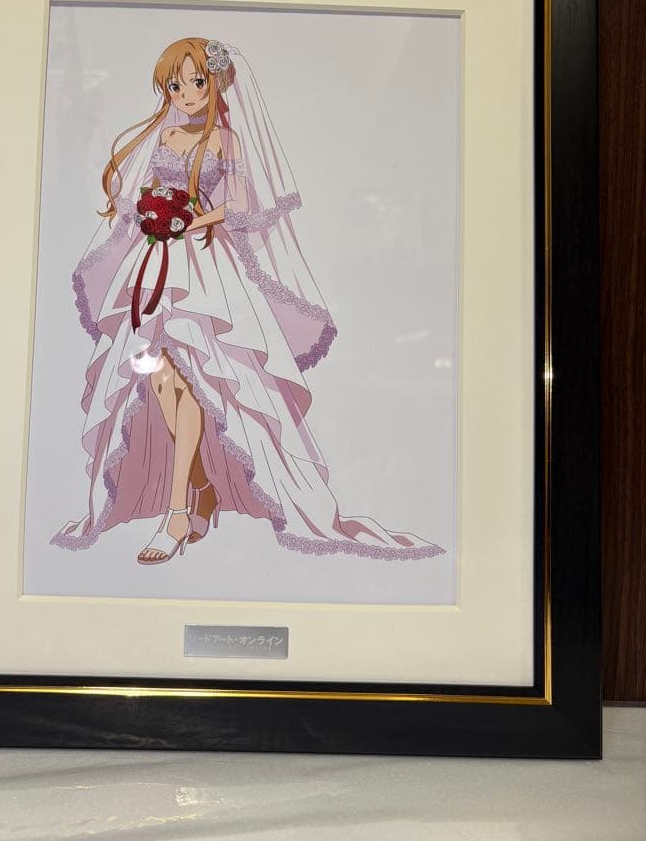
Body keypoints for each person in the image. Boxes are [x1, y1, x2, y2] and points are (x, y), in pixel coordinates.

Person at [52, 37, 444, 566]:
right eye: (176, 85)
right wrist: (155, 213)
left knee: (192, 383)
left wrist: (193, 218)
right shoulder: (165, 134)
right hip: (156, 264)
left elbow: (237, 203)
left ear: (215, 83)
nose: (187, 94)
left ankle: (178, 512)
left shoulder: (225, 140)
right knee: (161, 381)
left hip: (205, 268)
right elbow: (144, 192)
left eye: (197, 82)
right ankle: (199, 489)